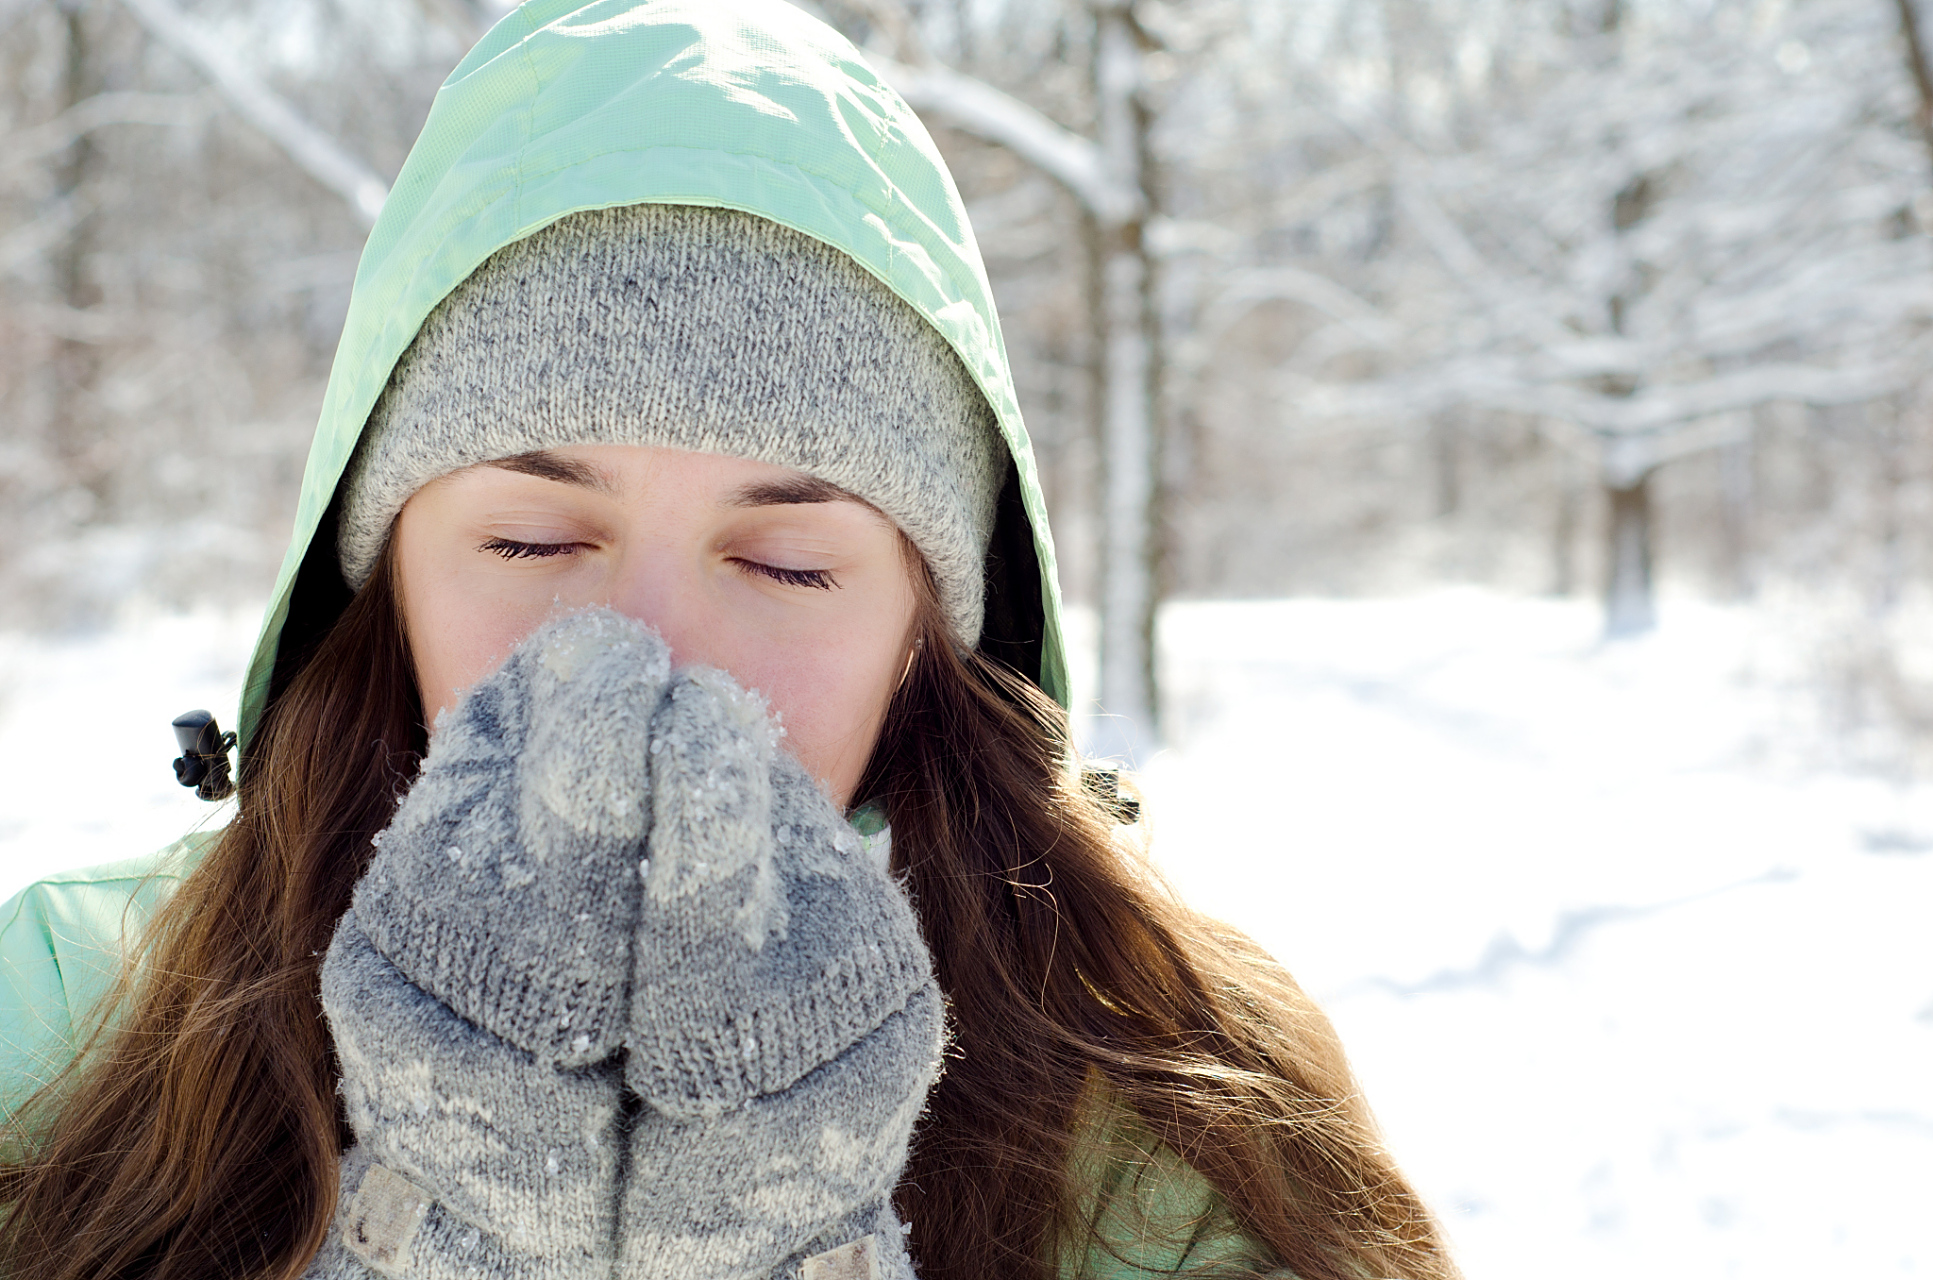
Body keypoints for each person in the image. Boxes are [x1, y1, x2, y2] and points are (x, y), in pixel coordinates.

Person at [0, 3, 1460, 1279]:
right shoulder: (70, 1022)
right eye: (533, 543)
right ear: (383, 585)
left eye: (783, 562)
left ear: (925, 638)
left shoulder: (1185, 1116)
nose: (650, 653)